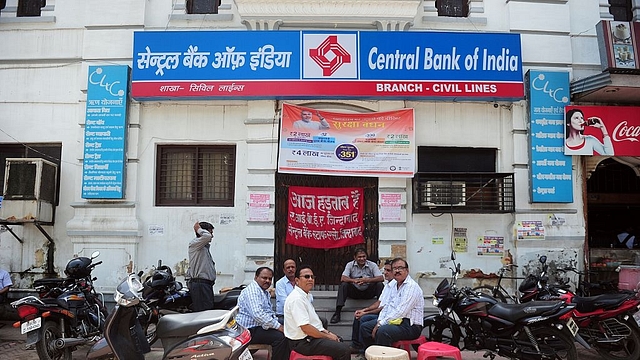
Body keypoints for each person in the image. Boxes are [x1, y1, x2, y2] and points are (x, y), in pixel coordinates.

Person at [284, 265, 351, 360]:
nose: (310, 279)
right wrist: (327, 336)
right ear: (297, 280)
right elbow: (306, 328)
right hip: (302, 343)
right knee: (344, 350)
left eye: (312, 277)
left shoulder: (305, 295)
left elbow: (314, 322)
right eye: (306, 277)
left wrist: (328, 333)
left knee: (339, 340)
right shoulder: (297, 299)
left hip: (308, 338)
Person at [360, 258, 424, 349]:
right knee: (365, 327)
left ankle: (383, 356)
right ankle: (371, 355)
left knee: (383, 331)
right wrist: (380, 321)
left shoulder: (411, 287)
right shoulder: (394, 285)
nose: (397, 271)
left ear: (407, 270)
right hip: (394, 321)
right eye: (394, 268)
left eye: (400, 268)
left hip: (410, 325)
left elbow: (401, 311)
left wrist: (380, 324)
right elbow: (387, 306)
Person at [236, 267, 289, 360]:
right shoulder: (253, 291)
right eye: (264, 278)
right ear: (256, 277)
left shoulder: (263, 292)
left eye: (270, 278)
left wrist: (279, 323)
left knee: (291, 325)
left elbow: (267, 313)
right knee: (281, 338)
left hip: (259, 325)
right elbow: (258, 314)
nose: (267, 281)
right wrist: (279, 327)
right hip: (249, 330)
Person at [350, 259, 394, 353]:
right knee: (359, 317)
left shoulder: (396, 286)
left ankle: (367, 351)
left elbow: (383, 308)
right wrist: (364, 310)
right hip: (382, 314)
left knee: (364, 322)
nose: (385, 273)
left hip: (389, 317)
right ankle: (356, 345)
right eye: (384, 270)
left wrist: (366, 313)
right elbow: (379, 302)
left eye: (388, 270)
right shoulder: (388, 285)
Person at [330, 247, 384, 324]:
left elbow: (381, 278)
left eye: (364, 256)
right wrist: (355, 281)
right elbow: (343, 278)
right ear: (354, 257)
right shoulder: (350, 265)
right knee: (343, 285)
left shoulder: (372, 265)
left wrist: (367, 280)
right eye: (359, 257)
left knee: (379, 285)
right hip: (355, 291)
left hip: (368, 291)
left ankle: (381, 310)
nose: (362, 259)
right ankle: (337, 312)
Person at [185, 221, 217, 311]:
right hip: (200, 284)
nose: (212, 236)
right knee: (204, 312)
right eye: (211, 232)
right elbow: (207, 236)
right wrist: (198, 229)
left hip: (205, 285)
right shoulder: (195, 244)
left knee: (208, 310)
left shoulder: (203, 247)